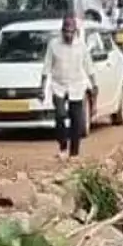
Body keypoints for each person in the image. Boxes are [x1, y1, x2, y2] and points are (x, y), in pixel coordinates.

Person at [45, 14, 94, 161]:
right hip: (58, 84)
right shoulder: (53, 44)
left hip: (76, 85)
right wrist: (41, 85)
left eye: (71, 32)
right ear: (62, 30)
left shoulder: (82, 46)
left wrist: (94, 84)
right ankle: (62, 147)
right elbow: (47, 64)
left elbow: (89, 66)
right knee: (60, 115)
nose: (68, 34)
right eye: (66, 31)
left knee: (76, 120)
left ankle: (74, 153)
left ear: (75, 31)